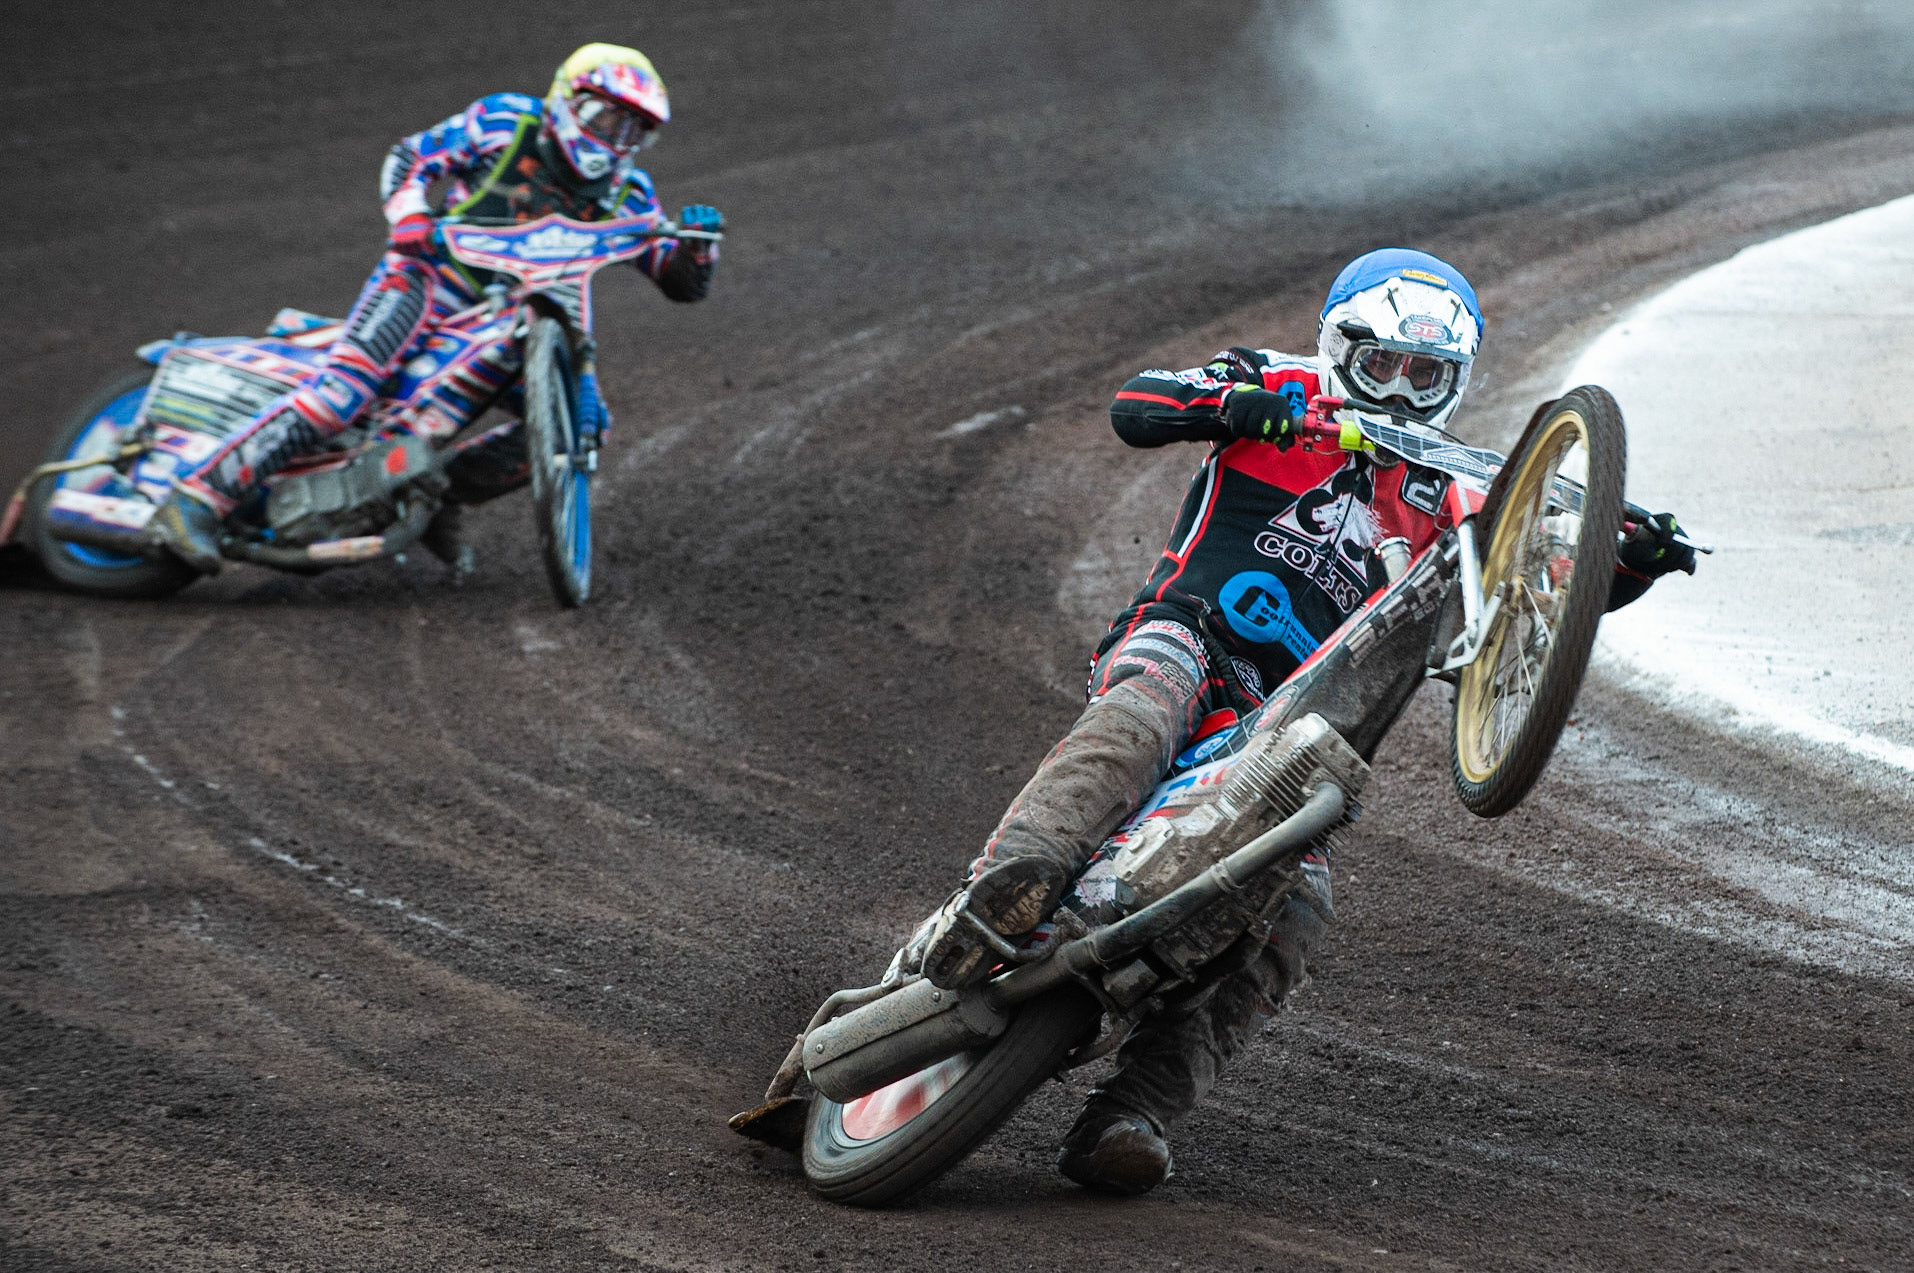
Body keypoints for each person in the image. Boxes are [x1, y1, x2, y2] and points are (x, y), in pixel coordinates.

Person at [898, 248, 1696, 1194]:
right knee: (1140, 711)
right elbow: (1138, 402)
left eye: (1427, 375)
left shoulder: (1464, 493)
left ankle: (1139, 1108)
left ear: (1456, 382)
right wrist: (1230, 407)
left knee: (1300, 907)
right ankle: (1004, 890)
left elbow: (1549, 589)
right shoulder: (1279, 384)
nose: (1401, 393)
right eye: (1382, 364)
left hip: (1299, 724)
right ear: (1337, 348)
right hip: (1189, 636)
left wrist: (1631, 554)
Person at [146, 43, 723, 572]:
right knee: (344, 392)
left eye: (633, 130)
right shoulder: (505, 123)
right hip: (427, 281)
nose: (616, 139)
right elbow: (410, 159)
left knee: (586, 424)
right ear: (567, 101)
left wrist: (697, 249)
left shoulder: (629, 193)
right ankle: (196, 499)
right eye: (606, 118)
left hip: (516, 321)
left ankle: (429, 491)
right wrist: (411, 220)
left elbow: (679, 280)